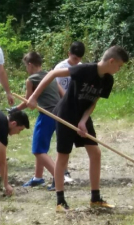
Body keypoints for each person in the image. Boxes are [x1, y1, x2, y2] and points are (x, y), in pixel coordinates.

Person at [27, 45, 129, 212]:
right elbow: (52, 74)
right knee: (63, 157)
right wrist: (33, 97)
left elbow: (93, 101)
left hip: (82, 116)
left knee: (95, 152)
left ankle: (95, 198)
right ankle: (60, 202)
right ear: (111, 61)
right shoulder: (84, 69)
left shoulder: (107, 79)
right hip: (65, 115)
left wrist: (83, 120)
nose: (119, 69)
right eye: (119, 66)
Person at [15, 52, 64, 190]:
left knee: (37, 150)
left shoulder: (31, 79)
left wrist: (14, 110)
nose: (26, 69)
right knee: (41, 147)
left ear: (30, 65)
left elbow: (28, 101)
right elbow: (63, 95)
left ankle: (58, 178)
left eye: (26, 66)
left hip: (47, 115)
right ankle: (38, 178)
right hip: (58, 114)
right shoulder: (50, 76)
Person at [53, 41, 86, 184]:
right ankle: (62, 172)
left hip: (77, 108)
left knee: (71, 142)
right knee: (63, 143)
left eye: (78, 59)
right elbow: (56, 84)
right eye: (74, 59)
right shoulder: (60, 67)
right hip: (63, 107)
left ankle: (65, 170)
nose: (76, 62)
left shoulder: (82, 68)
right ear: (69, 54)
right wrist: (66, 100)